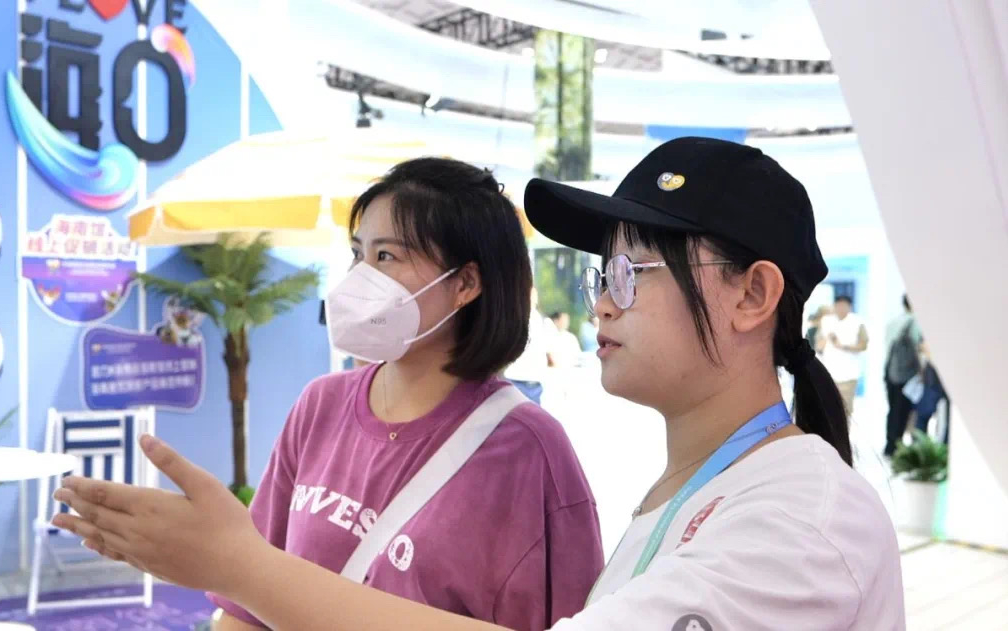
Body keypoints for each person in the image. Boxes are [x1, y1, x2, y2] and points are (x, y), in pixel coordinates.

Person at [51, 138, 905, 630]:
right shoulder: (683, 497)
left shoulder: (802, 520)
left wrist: (240, 564)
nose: (603, 302)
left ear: (753, 295)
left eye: (630, 272)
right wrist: (239, 574)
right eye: (600, 275)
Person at [215, 158, 606, 630]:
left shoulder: (530, 449)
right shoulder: (320, 405)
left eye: (387, 257)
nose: (361, 278)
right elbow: (246, 601)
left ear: (464, 284)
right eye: (358, 254)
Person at [883, 294, 924, 455]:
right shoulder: (914, 322)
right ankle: (898, 446)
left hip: (890, 371)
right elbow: (918, 349)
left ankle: (890, 445)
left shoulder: (893, 321)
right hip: (906, 374)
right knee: (903, 411)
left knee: (893, 409)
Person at [817, 295, 869, 418]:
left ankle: (844, 430)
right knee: (828, 407)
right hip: (829, 372)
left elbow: (863, 345)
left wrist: (844, 346)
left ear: (850, 307)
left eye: (844, 305)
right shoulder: (826, 321)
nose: (841, 308)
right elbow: (818, 345)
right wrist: (827, 339)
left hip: (849, 374)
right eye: (838, 305)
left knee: (845, 408)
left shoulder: (857, 322)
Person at [504, 287, 552, 405]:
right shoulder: (513, 318)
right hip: (515, 378)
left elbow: (549, 352)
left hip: (533, 381)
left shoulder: (543, 321)